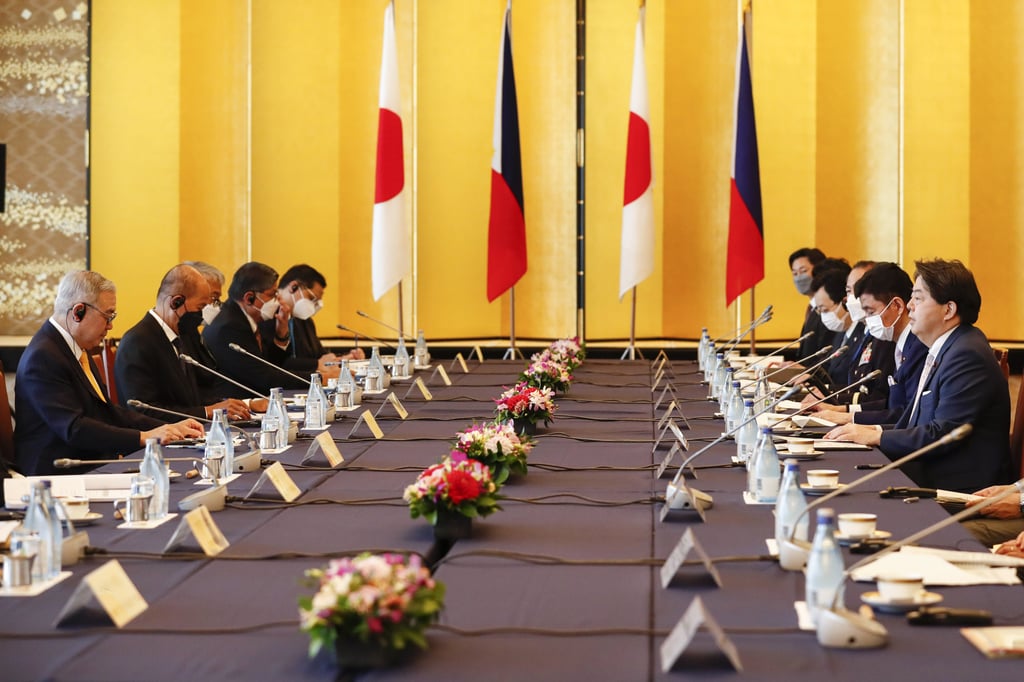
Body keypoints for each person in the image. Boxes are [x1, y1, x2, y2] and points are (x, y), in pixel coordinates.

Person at [824, 259, 1012, 493]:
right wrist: (871, 431)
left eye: (919, 298)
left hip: (957, 488)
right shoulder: (947, 346)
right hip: (926, 473)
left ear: (949, 310)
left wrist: (877, 438)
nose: (910, 305)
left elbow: (943, 434)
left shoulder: (966, 354)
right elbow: (916, 423)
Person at [14, 270, 204, 476]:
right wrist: (144, 437)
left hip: (90, 461)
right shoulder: (43, 357)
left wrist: (169, 428)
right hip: (59, 473)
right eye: (108, 316)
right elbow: (74, 428)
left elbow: (107, 412)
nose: (111, 325)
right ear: (78, 312)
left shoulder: (76, 347)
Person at [114, 264, 254, 422]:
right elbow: (144, 411)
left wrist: (232, 406)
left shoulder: (182, 336)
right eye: (200, 306)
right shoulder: (137, 342)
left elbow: (194, 398)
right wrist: (207, 412)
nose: (201, 315)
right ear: (176, 302)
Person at [814, 262, 925, 425]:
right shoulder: (900, 343)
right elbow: (891, 404)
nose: (866, 318)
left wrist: (850, 418)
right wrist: (844, 411)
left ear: (897, 306)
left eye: (871, 312)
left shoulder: (918, 346)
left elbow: (906, 413)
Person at [202, 262, 307, 394]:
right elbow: (265, 378)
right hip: (236, 405)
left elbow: (272, 366)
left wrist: (281, 334)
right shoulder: (230, 326)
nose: (278, 301)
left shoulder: (247, 319)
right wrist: (318, 378)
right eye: (272, 295)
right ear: (249, 298)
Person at [258, 264, 364, 381]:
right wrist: (316, 364)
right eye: (311, 298)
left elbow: (320, 355)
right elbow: (275, 362)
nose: (314, 306)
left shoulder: (305, 321)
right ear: (293, 287)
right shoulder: (266, 315)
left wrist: (345, 358)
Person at [789, 247, 830, 359]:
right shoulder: (811, 309)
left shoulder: (829, 310)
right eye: (794, 273)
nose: (799, 278)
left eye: (803, 271)